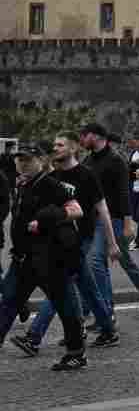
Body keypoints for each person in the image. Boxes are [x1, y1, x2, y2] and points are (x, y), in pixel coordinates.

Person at [14, 134, 121, 356]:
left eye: (60, 144)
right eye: (54, 144)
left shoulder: (85, 175)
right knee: (87, 289)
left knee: (59, 288)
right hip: (58, 240)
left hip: (80, 239)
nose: (56, 148)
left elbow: (102, 209)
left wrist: (112, 242)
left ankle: (34, 337)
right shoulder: (53, 175)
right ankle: (109, 331)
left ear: (73, 148)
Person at [0, 144, 90, 371]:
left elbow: (77, 209)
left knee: (65, 306)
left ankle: (76, 353)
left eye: (28, 160)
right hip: (24, 259)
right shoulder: (23, 183)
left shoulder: (50, 184)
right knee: (9, 300)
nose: (22, 164)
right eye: (19, 160)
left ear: (40, 160)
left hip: (51, 258)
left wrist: (49, 218)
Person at [80, 123, 139, 315]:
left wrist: (128, 224)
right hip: (94, 220)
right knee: (115, 260)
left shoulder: (116, 160)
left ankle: (105, 311)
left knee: (99, 261)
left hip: (114, 219)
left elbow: (124, 194)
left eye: (84, 135)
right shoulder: (88, 160)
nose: (81, 139)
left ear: (96, 137)